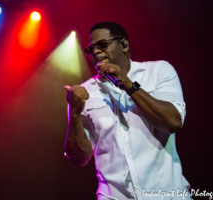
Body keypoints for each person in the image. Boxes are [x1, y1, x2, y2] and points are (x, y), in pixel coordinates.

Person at [63, 21, 191, 200]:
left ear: (124, 44)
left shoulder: (158, 71)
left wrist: (128, 85)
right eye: (91, 49)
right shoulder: (84, 93)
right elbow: (79, 159)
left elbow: (173, 122)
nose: (96, 52)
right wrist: (75, 113)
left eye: (102, 45)